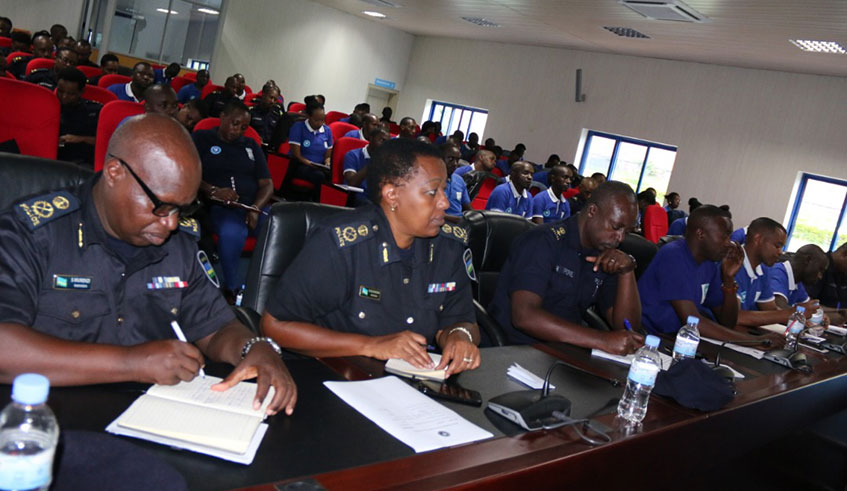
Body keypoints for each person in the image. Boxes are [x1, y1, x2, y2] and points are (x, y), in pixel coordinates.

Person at [0, 113, 295, 414]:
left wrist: (254, 347)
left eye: (182, 208)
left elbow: (216, 327)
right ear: (114, 172)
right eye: (162, 206)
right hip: (46, 418)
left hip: (150, 417)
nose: (171, 223)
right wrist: (132, 362)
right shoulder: (32, 232)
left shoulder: (179, 243)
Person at [261, 138, 481, 376]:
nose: (445, 202)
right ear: (392, 195)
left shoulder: (448, 247)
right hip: (333, 373)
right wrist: (371, 345)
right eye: (431, 192)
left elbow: (463, 319)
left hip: (409, 380)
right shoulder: (343, 244)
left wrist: (460, 336)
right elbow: (275, 326)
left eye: (444, 189)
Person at [489, 181, 643, 352]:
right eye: (615, 227)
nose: (620, 238)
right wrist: (601, 340)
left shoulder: (606, 252)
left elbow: (628, 327)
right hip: (513, 349)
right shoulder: (543, 241)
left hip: (562, 353)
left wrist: (627, 271)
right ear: (592, 211)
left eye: (627, 232)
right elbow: (524, 316)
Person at [638, 206, 782, 347]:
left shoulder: (709, 263)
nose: (729, 243)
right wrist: (753, 341)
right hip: (650, 336)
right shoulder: (674, 255)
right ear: (701, 234)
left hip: (680, 338)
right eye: (724, 237)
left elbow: (727, 321)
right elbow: (692, 321)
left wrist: (728, 280)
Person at [193, 100, 272, 298]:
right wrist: (212, 190)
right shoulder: (203, 138)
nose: (237, 130)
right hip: (218, 205)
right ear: (222, 117)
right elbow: (188, 173)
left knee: (282, 226)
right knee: (232, 232)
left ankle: (267, 288)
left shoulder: (251, 145)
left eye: (244, 127)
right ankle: (231, 288)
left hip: (252, 205)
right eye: (234, 123)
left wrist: (255, 208)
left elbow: (267, 183)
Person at [734, 218, 813, 328]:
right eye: (777, 246)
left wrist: (800, 321)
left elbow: (770, 309)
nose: (780, 252)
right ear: (758, 239)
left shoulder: (763, 269)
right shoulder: (733, 264)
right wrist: (791, 313)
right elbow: (735, 316)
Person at [287, 102, 333, 201]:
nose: (320, 123)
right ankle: (317, 206)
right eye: (316, 120)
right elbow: (296, 155)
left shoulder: (327, 130)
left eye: (322, 120)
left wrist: (327, 162)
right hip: (299, 165)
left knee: (332, 177)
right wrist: (311, 164)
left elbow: (328, 154)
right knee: (319, 176)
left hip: (319, 167)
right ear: (308, 116)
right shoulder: (298, 127)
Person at [56, 68, 100, 167]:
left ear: (81, 92)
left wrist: (80, 139)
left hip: (79, 161)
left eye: (71, 94)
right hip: (49, 157)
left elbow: (102, 141)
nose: (64, 97)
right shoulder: (47, 105)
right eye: (61, 91)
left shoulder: (94, 111)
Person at [769, 244, 828, 310]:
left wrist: (819, 315)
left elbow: (809, 308)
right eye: (820, 270)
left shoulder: (797, 283)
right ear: (808, 260)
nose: (820, 276)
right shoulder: (777, 272)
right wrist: (805, 312)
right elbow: (779, 309)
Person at [343, 126, 389, 206]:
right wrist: (373, 162)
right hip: (357, 196)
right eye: (382, 140)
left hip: (377, 198)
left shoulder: (387, 160)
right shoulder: (353, 155)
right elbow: (352, 182)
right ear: (371, 138)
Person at [808, 241, 847, 322]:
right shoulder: (819, 267)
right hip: (817, 321)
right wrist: (836, 312)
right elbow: (806, 304)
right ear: (844, 254)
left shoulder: (843, 271)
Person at [440, 143, 471, 221]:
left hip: (458, 224)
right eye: (451, 159)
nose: (455, 164)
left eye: (457, 160)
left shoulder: (459, 180)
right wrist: (458, 220)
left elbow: (468, 208)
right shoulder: (430, 181)